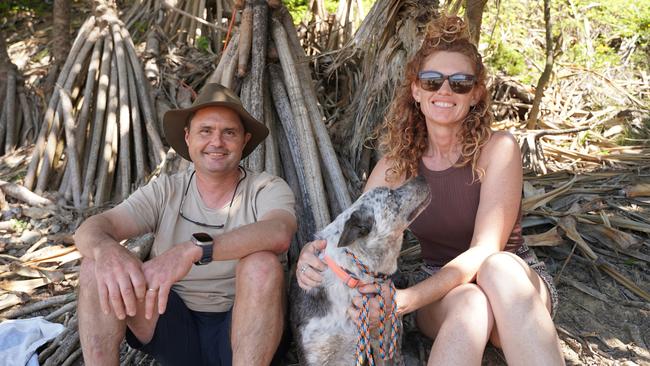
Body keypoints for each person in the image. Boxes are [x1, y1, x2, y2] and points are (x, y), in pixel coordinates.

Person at [296, 15, 564, 365]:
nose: (445, 91)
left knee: (497, 267)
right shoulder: (397, 166)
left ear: (477, 93)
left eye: (461, 83)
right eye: (432, 81)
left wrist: (403, 301)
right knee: (471, 302)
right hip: (441, 289)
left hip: (514, 283)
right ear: (416, 91)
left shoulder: (499, 149)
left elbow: (485, 251)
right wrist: (311, 255)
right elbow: (348, 227)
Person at [75, 83, 297, 366]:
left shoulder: (266, 188)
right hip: (172, 325)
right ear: (188, 137)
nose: (216, 142)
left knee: (262, 265)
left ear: (244, 140)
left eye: (229, 133)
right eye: (206, 131)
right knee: (96, 265)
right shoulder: (165, 191)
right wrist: (107, 250)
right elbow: (91, 229)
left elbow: (279, 232)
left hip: (246, 332)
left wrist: (191, 251)